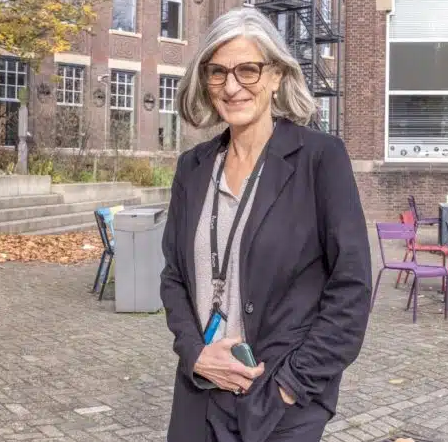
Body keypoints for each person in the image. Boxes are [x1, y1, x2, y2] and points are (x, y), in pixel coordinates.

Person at [159, 7, 372, 442]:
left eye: (248, 70)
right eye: (218, 72)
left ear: (276, 75)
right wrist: (195, 354)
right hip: (200, 394)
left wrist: (291, 385)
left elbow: (351, 288)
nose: (231, 86)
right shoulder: (193, 168)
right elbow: (174, 277)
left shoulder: (320, 159)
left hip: (278, 405)